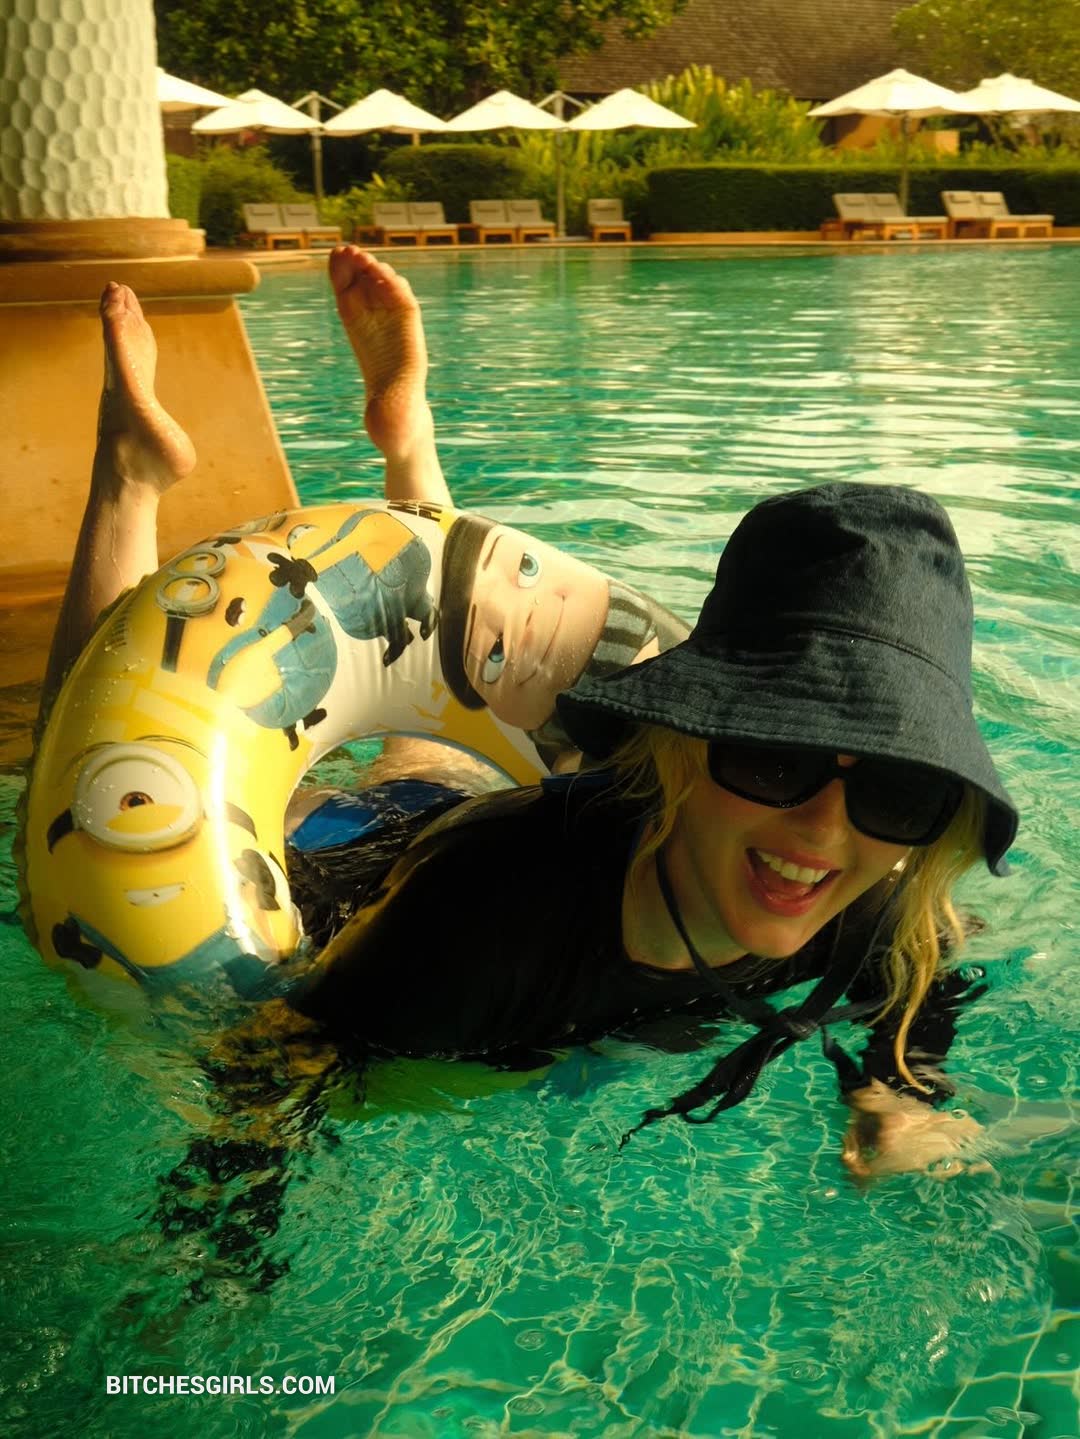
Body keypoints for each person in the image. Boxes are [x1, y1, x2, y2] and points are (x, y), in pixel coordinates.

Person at [40, 251, 1018, 1180]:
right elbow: (264, 1090)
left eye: (898, 786)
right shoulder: (477, 931)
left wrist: (901, 1091)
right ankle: (129, 472)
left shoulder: (871, 888)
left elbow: (922, 967)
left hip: (465, 825)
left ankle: (410, 445)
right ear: (683, 746)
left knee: (433, 764)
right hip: (340, 883)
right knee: (92, 796)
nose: (824, 830)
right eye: (775, 759)